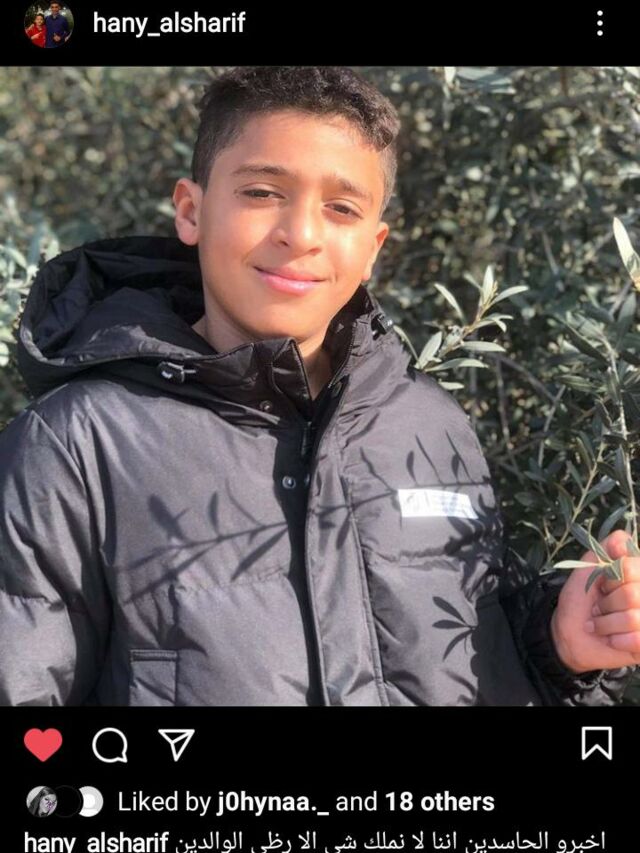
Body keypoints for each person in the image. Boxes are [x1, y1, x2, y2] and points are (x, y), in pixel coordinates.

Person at [0, 66, 638, 706]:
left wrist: (559, 650)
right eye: (261, 192)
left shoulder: (430, 424)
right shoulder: (76, 446)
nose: (301, 234)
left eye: (342, 208)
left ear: (374, 246)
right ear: (192, 211)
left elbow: (478, 651)